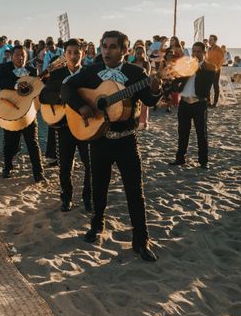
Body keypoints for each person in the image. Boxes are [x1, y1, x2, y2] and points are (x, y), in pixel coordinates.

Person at [61, 30, 161, 262]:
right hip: (100, 139)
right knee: (99, 187)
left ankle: (141, 239)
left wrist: (155, 88)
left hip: (126, 139)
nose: (107, 51)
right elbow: (67, 89)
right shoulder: (92, 70)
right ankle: (97, 225)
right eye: (104, 46)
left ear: (125, 50)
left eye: (113, 47)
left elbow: (150, 100)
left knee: (135, 191)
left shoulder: (136, 72)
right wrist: (80, 106)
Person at [39, 38, 92, 212]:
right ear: (64, 54)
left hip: (86, 125)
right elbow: (43, 97)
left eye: (77, 52)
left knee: (89, 163)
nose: (73, 55)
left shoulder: (90, 74)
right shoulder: (57, 75)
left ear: (82, 53)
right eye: (70, 52)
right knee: (65, 164)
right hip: (64, 125)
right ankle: (66, 197)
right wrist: (63, 98)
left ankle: (87, 197)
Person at [0, 45, 46, 183]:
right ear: (12, 56)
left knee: (33, 142)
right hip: (10, 109)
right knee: (9, 142)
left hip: (28, 112)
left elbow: (36, 90)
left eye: (23, 55)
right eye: (17, 55)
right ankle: (8, 167)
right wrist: (15, 85)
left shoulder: (32, 70)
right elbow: (0, 81)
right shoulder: (4, 68)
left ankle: (39, 173)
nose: (21, 57)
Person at [169, 42, 218, 169]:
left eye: (198, 51)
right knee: (183, 132)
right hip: (184, 102)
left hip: (199, 103)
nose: (195, 54)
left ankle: (203, 161)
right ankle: (180, 158)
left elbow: (206, 84)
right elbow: (176, 79)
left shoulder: (209, 67)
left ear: (204, 53)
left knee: (201, 134)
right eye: (194, 51)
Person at [130, 44, 151, 130]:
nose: (139, 55)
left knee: (144, 105)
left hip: (144, 84)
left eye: (141, 53)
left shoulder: (146, 63)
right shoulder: (132, 63)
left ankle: (143, 122)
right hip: (134, 85)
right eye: (137, 53)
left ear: (144, 53)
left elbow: (148, 75)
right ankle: (135, 121)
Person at [206, 34, 224, 107]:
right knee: (207, 86)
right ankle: (208, 102)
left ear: (215, 41)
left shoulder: (218, 49)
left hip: (215, 70)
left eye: (211, 40)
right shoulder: (209, 49)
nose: (209, 41)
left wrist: (217, 68)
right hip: (208, 70)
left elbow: (222, 60)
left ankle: (215, 102)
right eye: (209, 40)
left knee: (215, 86)